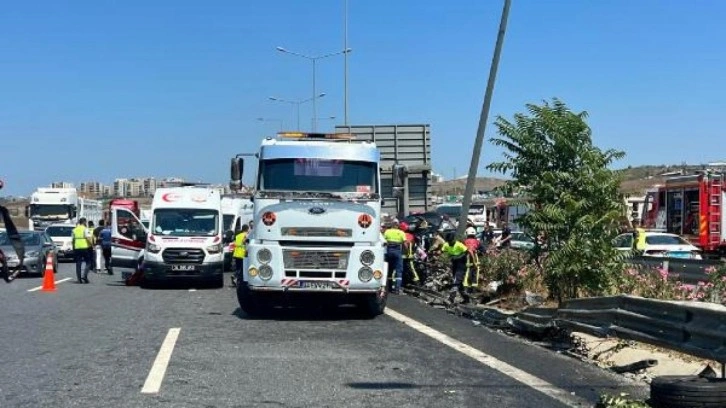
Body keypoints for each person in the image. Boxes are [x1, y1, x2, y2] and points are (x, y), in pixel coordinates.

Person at [440, 231, 470, 303]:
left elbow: (466, 252)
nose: (450, 243)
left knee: (456, 281)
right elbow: (442, 251)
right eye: (448, 241)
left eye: (451, 241)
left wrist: (458, 257)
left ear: (453, 240)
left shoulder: (459, 244)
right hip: (454, 264)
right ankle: (466, 299)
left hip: (461, 264)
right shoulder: (446, 245)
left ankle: (451, 299)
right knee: (458, 282)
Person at [383, 219, 406, 294]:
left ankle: (388, 288)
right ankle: (397, 289)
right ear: (398, 225)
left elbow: (383, 242)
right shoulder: (401, 232)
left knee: (389, 270)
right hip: (397, 252)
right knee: (399, 271)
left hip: (389, 252)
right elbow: (405, 244)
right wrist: (406, 252)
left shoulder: (387, 231)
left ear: (392, 224)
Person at [72, 217, 92, 283]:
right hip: (85, 247)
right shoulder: (85, 229)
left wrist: (73, 248)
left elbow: (73, 240)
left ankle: (79, 279)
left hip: (77, 248)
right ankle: (85, 275)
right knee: (88, 262)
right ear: (84, 222)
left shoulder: (74, 230)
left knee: (78, 263)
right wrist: (92, 245)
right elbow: (88, 238)